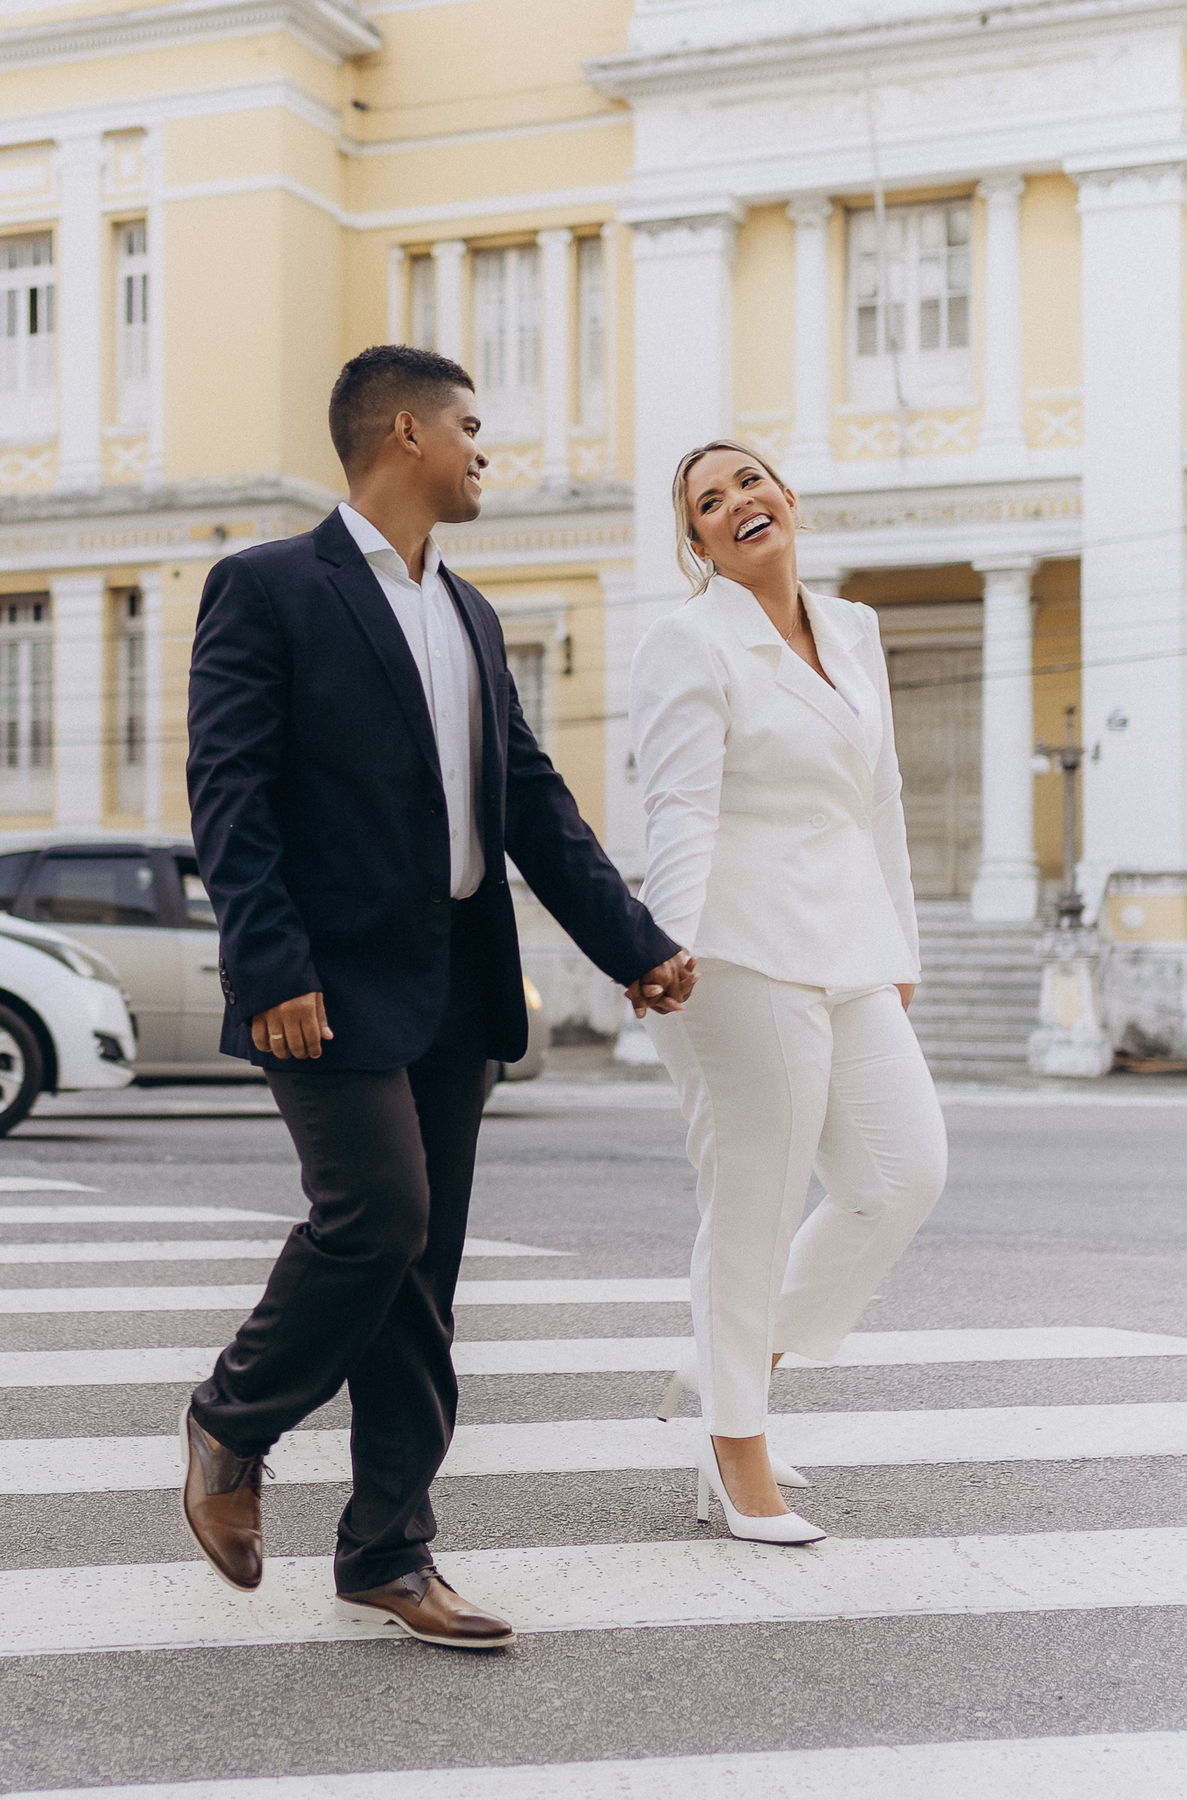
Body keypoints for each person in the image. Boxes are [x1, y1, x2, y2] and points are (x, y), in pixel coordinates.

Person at [180, 344, 694, 1650]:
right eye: (472, 427)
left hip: (454, 990)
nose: (486, 451)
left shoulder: (468, 612)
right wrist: (271, 962)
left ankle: (388, 1553)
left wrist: (632, 942)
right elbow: (232, 797)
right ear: (403, 433)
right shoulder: (269, 589)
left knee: (421, 1276)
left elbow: (529, 803)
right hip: (325, 984)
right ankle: (233, 1420)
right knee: (375, 1217)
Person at [629, 439, 947, 1545]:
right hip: (734, 948)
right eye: (708, 503)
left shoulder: (851, 631)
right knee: (754, 1200)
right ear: (699, 544)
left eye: (748, 482)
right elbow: (680, 810)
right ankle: (735, 1450)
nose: (737, 503)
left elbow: (883, 802)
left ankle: (732, 1366)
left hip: (849, 943)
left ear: (786, 497)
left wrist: (899, 943)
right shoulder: (688, 644)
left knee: (902, 1173)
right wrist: (661, 949)